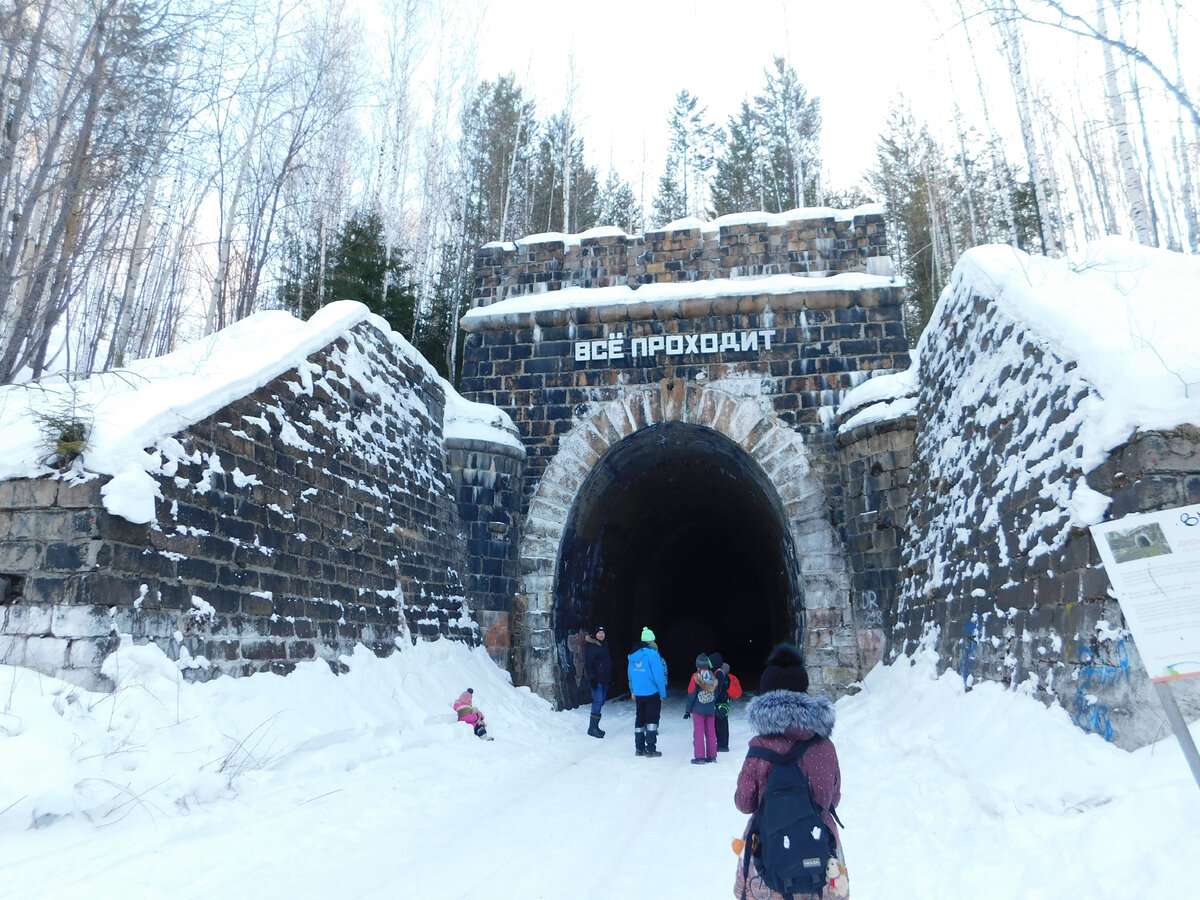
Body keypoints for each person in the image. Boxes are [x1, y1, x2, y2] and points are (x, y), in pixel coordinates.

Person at [733, 644, 844, 899]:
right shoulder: (824, 746)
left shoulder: (760, 747)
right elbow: (833, 798)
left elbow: (744, 803)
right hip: (820, 848)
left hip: (770, 849)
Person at [627, 626, 667, 757]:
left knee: (639, 719)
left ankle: (639, 749)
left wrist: (632, 690)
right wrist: (662, 693)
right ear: (652, 641)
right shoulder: (653, 655)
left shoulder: (633, 655)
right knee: (652, 720)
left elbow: (630, 674)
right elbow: (659, 676)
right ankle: (651, 749)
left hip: (638, 692)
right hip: (652, 692)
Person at [684, 652, 720, 763]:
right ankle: (712, 756)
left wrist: (688, 710)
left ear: (697, 665)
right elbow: (716, 692)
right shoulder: (713, 676)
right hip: (710, 709)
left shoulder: (695, 677)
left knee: (699, 732)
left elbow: (691, 694)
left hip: (698, 710)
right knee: (711, 732)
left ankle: (700, 757)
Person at [710, 652, 742, 753]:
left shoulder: (719, 673)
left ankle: (722, 745)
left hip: (720, 702)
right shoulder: (722, 672)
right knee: (722, 723)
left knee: (720, 723)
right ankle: (723, 744)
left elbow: (718, 689)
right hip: (724, 702)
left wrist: (713, 700)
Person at [584, 625, 612, 738]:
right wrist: (592, 678)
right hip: (597, 679)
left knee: (602, 701)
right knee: (598, 700)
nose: (601, 635)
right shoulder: (592, 647)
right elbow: (589, 663)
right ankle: (592, 728)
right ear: (595, 634)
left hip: (605, 678)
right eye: (599, 633)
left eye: (603, 633)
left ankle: (595, 726)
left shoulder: (604, 645)